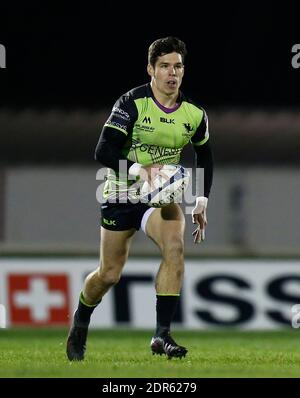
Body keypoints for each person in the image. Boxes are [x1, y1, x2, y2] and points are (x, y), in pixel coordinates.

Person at [66, 36, 213, 361]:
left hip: (161, 195)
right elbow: (103, 150)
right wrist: (139, 170)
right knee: (109, 274)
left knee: (175, 249)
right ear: (151, 69)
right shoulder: (132, 103)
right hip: (122, 190)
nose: (171, 73)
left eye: (177, 66)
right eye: (164, 66)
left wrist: (201, 198)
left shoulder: (193, 114)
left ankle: (162, 334)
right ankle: (81, 320)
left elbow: (205, 155)